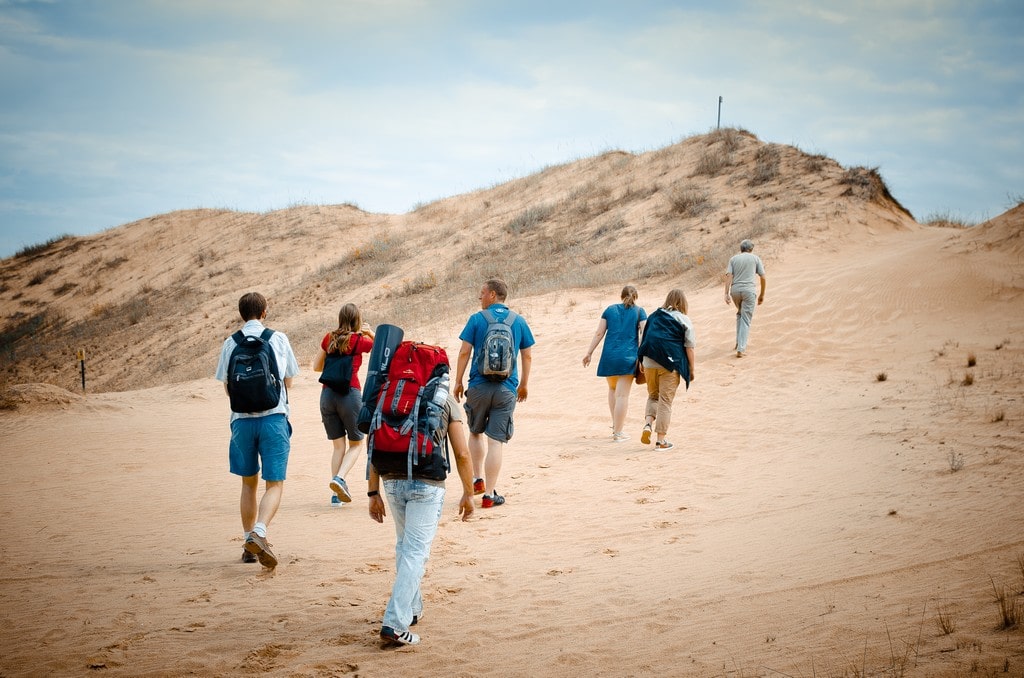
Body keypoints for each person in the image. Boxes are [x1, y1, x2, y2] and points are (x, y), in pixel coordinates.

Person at [367, 390, 475, 646]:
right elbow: (462, 453)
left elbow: (373, 445)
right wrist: (469, 493)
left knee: (404, 545)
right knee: (416, 552)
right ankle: (394, 621)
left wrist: (373, 491)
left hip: (391, 480)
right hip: (427, 483)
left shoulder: (388, 395)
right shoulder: (445, 399)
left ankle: (412, 608)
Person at [214, 292, 300, 568]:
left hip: (241, 421)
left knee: (248, 483)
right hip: (273, 418)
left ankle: (248, 545)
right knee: (274, 483)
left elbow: (227, 386)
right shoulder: (278, 338)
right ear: (265, 312)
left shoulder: (231, 343)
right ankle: (259, 532)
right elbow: (289, 381)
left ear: (241, 314)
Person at [453, 278, 535, 508]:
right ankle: (489, 494)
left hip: (478, 386)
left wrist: (458, 382)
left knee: (476, 432)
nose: (480, 297)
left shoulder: (477, 319)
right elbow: (527, 355)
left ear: (492, 295)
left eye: (482, 293)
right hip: (507, 388)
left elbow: (464, 352)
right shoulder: (518, 321)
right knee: (496, 442)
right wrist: (524, 385)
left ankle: (477, 479)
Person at [311, 303, 374, 506]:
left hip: (327, 395)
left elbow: (316, 367)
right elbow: (381, 347)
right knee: (356, 444)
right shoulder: (359, 341)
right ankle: (339, 479)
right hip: (349, 394)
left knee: (338, 446)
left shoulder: (329, 338)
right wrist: (370, 333)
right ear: (357, 319)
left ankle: (336, 496)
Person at [582, 285, 647, 441]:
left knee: (612, 390)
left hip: (609, 357)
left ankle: (616, 427)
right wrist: (644, 356)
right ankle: (618, 433)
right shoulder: (639, 311)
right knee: (622, 396)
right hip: (628, 358)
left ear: (621, 296)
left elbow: (599, 333)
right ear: (635, 297)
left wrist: (589, 352)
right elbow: (644, 334)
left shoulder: (609, 310)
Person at [637, 289, 695, 450]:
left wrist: (641, 360)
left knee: (653, 396)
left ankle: (648, 424)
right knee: (665, 401)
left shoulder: (654, 316)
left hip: (649, 361)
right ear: (683, 302)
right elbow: (689, 347)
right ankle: (660, 441)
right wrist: (691, 369)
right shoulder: (684, 319)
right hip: (669, 364)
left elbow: (644, 339)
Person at [724, 239, 766, 357]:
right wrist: (762, 294)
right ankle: (741, 349)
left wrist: (726, 293)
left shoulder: (733, 259)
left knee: (740, 314)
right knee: (746, 318)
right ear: (751, 249)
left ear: (741, 249)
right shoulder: (755, 258)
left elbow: (729, 276)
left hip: (735, 291)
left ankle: (738, 343)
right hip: (749, 291)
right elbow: (763, 277)